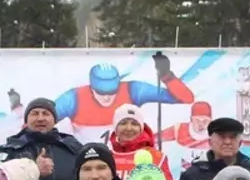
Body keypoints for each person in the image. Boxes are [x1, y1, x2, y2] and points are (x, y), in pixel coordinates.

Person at [0, 98, 83, 180]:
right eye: (35, 113)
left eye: (46, 113)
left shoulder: (74, 149)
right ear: (26, 120)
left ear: (55, 120)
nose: (40, 118)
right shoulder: (9, 150)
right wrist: (34, 170)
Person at [52, 54, 195, 129]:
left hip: (124, 159)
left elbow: (186, 99)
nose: (107, 98)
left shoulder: (133, 90)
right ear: (91, 87)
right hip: (90, 161)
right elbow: (44, 118)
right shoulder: (73, 98)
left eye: (112, 92)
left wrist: (167, 76)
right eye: (101, 93)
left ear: (118, 85)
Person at [107, 104, 180, 180]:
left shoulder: (155, 156)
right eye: (123, 123)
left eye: (134, 123)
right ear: (115, 127)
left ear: (141, 128)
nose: (129, 128)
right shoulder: (107, 156)